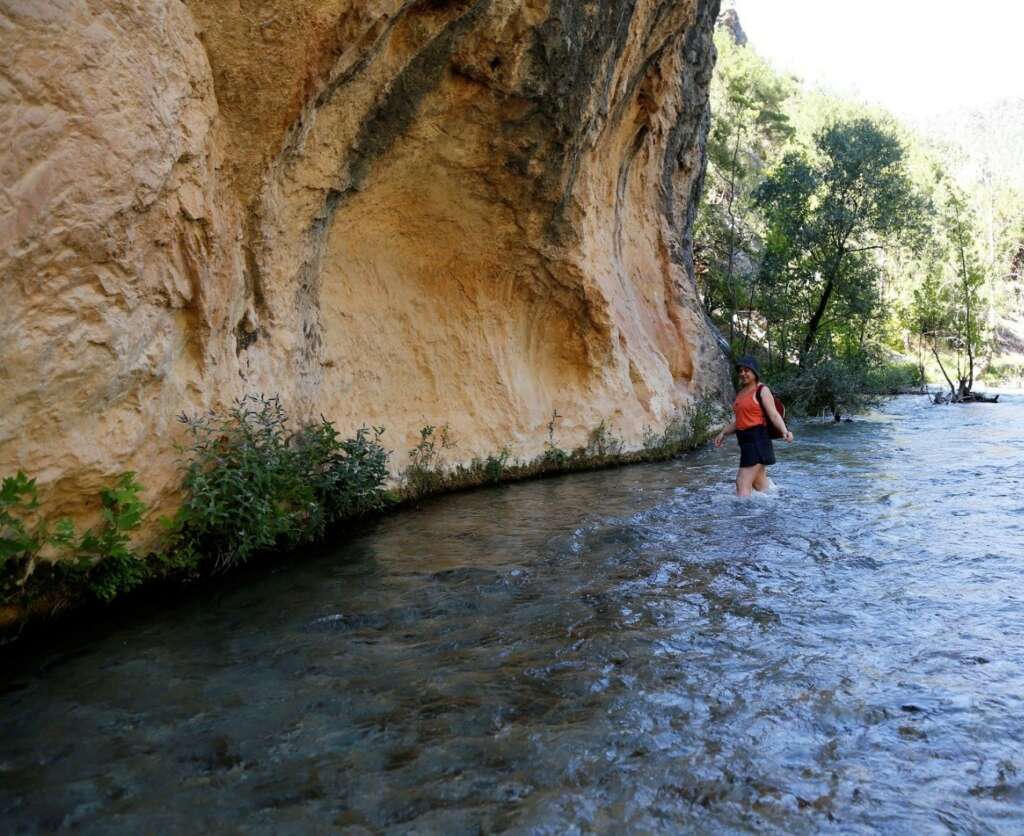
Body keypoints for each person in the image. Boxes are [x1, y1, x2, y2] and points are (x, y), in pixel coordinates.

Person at [714, 355, 793, 496]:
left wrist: (785, 431)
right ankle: (783, 502)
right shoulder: (741, 394)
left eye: (747, 370)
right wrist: (723, 433)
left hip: (758, 441)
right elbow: (739, 421)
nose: (743, 374)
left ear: (755, 372)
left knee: (742, 482)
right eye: (741, 371)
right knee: (759, 484)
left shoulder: (762, 390)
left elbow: (774, 415)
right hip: (746, 443)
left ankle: (744, 516)